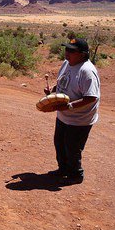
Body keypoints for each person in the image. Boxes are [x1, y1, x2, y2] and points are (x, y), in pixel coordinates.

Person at [45, 38, 100, 185]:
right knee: (59, 143)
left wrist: (69, 106)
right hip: (63, 116)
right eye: (66, 49)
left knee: (72, 148)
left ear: (82, 54)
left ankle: (76, 174)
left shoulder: (87, 71)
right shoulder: (67, 64)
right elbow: (61, 82)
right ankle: (63, 169)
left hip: (79, 120)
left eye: (71, 51)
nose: (67, 53)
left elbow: (91, 97)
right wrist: (53, 92)